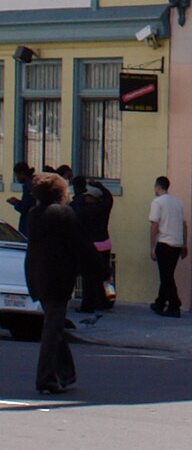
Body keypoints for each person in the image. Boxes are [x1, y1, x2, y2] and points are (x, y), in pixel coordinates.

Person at [25, 171, 101, 395]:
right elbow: (81, 246)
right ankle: (46, 378)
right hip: (57, 279)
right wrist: (101, 271)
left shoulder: (34, 214)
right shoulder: (63, 214)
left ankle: (66, 373)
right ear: (59, 193)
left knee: (54, 324)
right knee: (52, 327)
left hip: (37, 276)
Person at [72, 176, 115, 319]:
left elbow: (76, 210)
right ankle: (108, 299)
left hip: (92, 246)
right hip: (105, 244)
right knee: (105, 275)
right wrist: (100, 186)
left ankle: (88, 304)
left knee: (88, 277)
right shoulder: (104, 208)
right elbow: (109, 197)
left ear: (91, 197)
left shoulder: (85, 210)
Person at [148, 176, 187, 316]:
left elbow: (154, 225)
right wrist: (184, 244)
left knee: (166, 276)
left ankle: (174, 304)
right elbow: (184, 225)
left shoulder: (157, 202)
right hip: (176, 243)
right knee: (167, 274)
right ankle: (160, 302)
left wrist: (152, 247)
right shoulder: (177, 203)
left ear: (157, 186)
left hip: (164, 243)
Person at [7, 161, 35, 239]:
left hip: (28, 224)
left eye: (17, 175)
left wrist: (16, 203)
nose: (17, 178)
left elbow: (25, 207)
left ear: (22, 173)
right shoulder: (32, 183)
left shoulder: (29, 186)